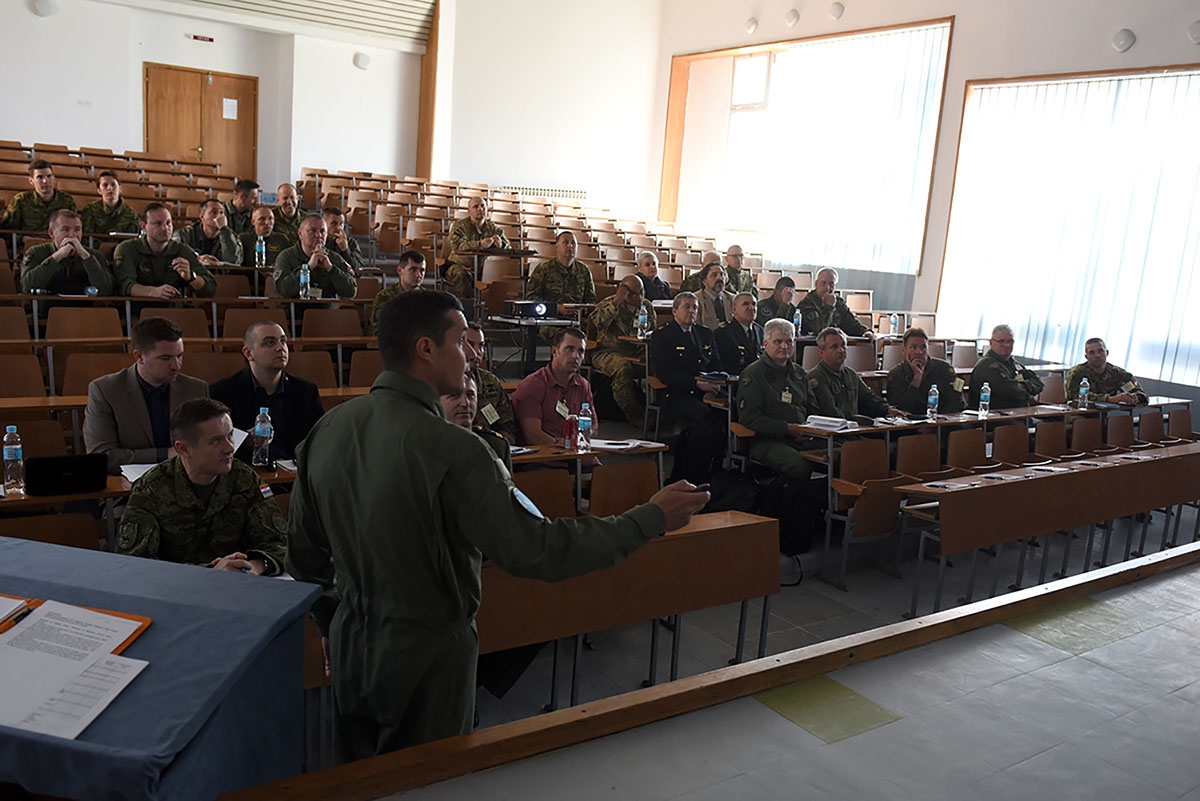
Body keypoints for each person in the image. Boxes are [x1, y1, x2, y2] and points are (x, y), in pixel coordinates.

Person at [286, 290, 709, 762]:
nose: (470, 354)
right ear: (426, 349)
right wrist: (649, 518)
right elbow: (539, 549)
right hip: (427, 657)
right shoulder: (458, 451)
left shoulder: (328, 431)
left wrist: (330, 621)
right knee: (428, 781)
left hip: (350, 644)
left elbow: (304, 555)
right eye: (460, 341)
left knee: (359, 777)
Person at [116, 398, 288, 575]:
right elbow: (133, 562)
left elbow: (280, 542)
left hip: (238, 587)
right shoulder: (150, 489)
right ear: (183, 449)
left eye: (230, 436)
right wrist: (211, 572)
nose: (229, 448)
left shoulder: (245, 479)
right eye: (215, 441)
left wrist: (254, 567)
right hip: (174, 592)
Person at [83, 317, 208, 473]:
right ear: (139, 357)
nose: (176, 365)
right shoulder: (105, 390)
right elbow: (102, 456)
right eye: (165, 358)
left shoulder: (196, 389)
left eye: (179, 356)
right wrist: (163, 455)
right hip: (129, 489)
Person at [209, 320, 324, 463]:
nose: (280, 348)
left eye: (283, 341)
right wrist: (246, 442)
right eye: (270, 343)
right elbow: (213, 446)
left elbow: (319, 440)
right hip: (243, 474)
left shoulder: (306, 391)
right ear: (248, 353)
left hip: (294, 475)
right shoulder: (222, 392)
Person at [649, 291, 724, 483]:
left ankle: (715, 472)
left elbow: (716, 366)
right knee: (703, 420)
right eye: (686, 307)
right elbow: (666, 374)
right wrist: (698, 385)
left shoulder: (705, 333)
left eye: (695, 308)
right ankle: (688, 475)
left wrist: (714, 387)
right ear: (675, 311)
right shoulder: (662, 335)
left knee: (727, 416)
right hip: (678, 394)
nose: (691, 311)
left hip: (707, 390)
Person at [738, 318, 814, 480]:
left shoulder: (799, 373)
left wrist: (811, 428)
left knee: (844, 454)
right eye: (778, 341)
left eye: (789, 341)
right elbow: (749, 418)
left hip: (803, 436)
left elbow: (813, 408)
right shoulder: (753, 374)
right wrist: (787, 428)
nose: (784, 346)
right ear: (765, 344)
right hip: (768, 440)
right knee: (799, 466)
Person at [511, 327, 597, 445]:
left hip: (575, 451)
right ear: (554, 351)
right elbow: (533, 436)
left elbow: (593, 427)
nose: (575, 356)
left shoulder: (583, 385)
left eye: (580, 351)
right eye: (569, 349)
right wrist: (563, 444)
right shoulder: (532, 385)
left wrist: (577, 441)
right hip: (542, 457)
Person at [589, 274, 655, 425]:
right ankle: (635, 415)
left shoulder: (647, 307)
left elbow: (653, 331)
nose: (639, 297)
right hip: (606, 351)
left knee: (661, 364)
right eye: (633, 294)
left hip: (636, 351)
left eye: (641, 293)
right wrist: (617, 301)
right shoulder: (609, 304)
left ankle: (659, 411)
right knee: (622, 368)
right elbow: (598, 323)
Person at [113, 203, 215, 298]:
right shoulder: (127, 249)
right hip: (137, 310)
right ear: (143, 226)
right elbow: (124, 285)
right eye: (158, 224)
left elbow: (210, 288)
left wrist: (191, 277)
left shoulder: (182, 250)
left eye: (168, 223)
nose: (165, 228)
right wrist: (153, 292)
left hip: (174, 309)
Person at [807, 327, 898, 419]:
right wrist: (855, 423)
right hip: (834, 429)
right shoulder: (816, 376)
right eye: (834, 347)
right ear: (821, 352)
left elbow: (869, 398)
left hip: (852, 428)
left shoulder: (851, 374)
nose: (841, 350)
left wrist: (887, 409)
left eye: (843, 345)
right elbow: (829, 411)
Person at [20, 209, 114, 295]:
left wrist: (86, 257)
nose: (72, 235)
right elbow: (27, 287)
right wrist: (57, 256)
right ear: (51, 233)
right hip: (46, 311)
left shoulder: (95, 255)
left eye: (77, 230)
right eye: (65, 230)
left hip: (85, 311)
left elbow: (107, 291)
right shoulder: (37, 252)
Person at [273, 213, 357, 299]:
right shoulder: (286, 257)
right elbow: (282, 290)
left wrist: (331, 269)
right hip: (295, 310)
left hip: (327, 310)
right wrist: (308, 268)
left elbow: (351, 292)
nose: (318, 235)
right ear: (300, 233)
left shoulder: (333, 257)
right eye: (312, 231)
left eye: (322, 231)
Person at [886, 327, 966, 416]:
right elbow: (900, 409)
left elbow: (959, 401)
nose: (919, 352)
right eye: (913, 347)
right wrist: (916, 379)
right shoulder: (896, 374)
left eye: (923, 347)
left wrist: (938, 421)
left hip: (942, 421)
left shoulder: (945, 369)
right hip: (910, 425)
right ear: (904, 350)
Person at [440, 373, 511, 471]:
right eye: (454, 395)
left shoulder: (496, 446)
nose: (465, 403)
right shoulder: (421, 446)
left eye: (470, 395)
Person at [445, 196, 510, 301]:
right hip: (460, 266)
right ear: (469, 210)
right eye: (476, 207)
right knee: (462, 275)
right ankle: (466, 309)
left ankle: (493, 310)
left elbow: (508, 248)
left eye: (483, 206)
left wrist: (501, 244)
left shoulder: (493, 228)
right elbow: (457, 246)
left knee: (503, 274)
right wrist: (479, 244)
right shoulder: (460, 226)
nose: (480, 209)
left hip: (485, 269)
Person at [969, 324, 1045, 410]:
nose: (1007, 345)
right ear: (991, 343)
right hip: (997, 417)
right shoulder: (986, 366)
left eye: (1010, 341)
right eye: (1001, 341)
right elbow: (1011, 392)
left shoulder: (1013, 363)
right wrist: (1028, 388)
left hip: (1019, 414)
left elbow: (1038, 383)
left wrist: (1023, 386)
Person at [464, 322, 517, 444]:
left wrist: (496, 444)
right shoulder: (442, 381)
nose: (477, 352)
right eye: (471, 344)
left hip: (491, 450)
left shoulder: (490, 382)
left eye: (481, 346)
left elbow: (508, 426)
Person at [1066, 337, 1148, 406]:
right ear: (1086, 357)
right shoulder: (1077, 372)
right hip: (1079, 414)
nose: (1097, 355)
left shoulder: (1117, 373)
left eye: (1100, 351)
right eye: (1092, 352)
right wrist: (1108, 399)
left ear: (1107, 353)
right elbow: (1074, 395)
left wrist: (1135, 397)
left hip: (1106, 417)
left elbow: (1137, 391)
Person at [0, 159, 76, 233]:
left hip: (59, 245)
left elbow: (75, 228)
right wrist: (22, 239)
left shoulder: (67, 201)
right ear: (31, 181)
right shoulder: (21, 200)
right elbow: (7, 231)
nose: (45, 181)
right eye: (40, 177)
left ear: (53, 178)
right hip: (27, 244)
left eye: (49, 176)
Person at [795, 268, 872, 338]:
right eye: (823, 283)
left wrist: (865, 331)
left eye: (831, 284)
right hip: (812, 347)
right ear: (816, 284)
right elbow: (819, 331)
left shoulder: (839, 302)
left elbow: (852, 324)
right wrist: (829, 307)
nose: (827, 288)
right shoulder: (807, 303)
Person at [526, 231, 595, 305]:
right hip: (550, 315)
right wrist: (556, 308)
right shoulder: (543, 269)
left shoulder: (584, 270)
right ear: (557, 247)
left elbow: (591, 301)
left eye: (573, 243)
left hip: (577, 314)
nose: (570, 246)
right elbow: (532, 298)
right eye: (566, 242)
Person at [370, 250, 427, 335]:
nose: (418, 275)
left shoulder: (428, 297)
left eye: (422, 270)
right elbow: (379, 329)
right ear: (400, 270)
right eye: (413, 269)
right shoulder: (386, 297)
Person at [175, 198, 243, 266]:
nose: (219, 216)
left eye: (221, 213)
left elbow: (234, 261)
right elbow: (175, 256)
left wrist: (223, 229)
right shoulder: (185, 234)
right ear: (202, 216)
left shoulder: (229, 235)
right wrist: (198, 259)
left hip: (222, 275)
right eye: (214, 212)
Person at [713, 292, 763, 375]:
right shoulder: (723, 333)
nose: (751, 307)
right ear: (734, 309)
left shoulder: (760, 330)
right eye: (745, 304)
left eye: (754, 304)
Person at [80, 170, 140, 235]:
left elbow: (133, 239)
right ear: (99, 190)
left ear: (120, 188)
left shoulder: (131, 214)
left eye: (113, 185)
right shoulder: (90, 210)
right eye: (105, 185)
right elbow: (86, 237)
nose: (110, 188)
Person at [323, 207, 366, 275]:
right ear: (324, 224)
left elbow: (359, 271)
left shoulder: (351, 243)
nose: (338, 228)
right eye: (334, 223)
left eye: (341, 224)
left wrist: (345, 250)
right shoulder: (318, 240)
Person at [695, 262, 736, 331]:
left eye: (722, 275)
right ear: (704, 281)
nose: (719, 278)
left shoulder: (733, 299)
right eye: (714, 275)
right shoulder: (696, 300)